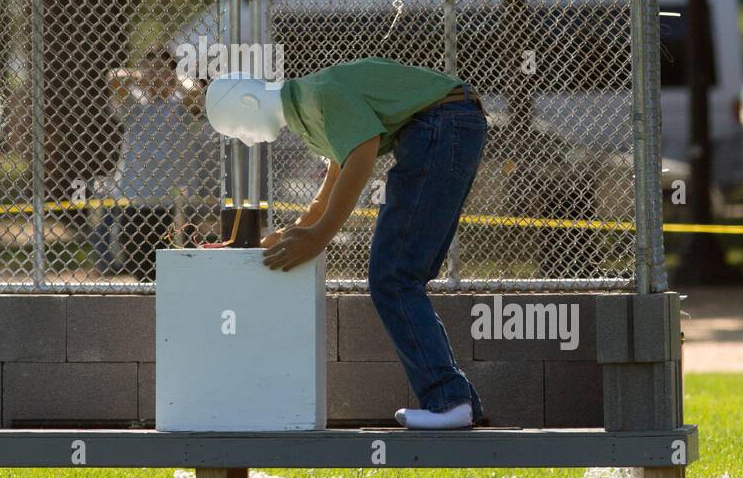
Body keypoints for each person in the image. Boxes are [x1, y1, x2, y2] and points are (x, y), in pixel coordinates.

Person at [204, 57, 488, 430]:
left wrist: (319, 236)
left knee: (393, 277)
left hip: (441, 125)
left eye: (236, 127)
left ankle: (449, 400)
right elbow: (335, 177)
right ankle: (459, 400)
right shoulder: (307, 105)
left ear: (248, 103)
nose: (243, 138)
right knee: (403, 277)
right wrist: (296, 230)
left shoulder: (314, 96)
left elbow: (362, 153)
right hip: (451, 122)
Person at [106, 48, 205, 283]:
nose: (154, 74)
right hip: (136, 196)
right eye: (147, 68)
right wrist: (145, 76)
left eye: (161, 67)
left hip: (175, 200)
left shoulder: (180, 105)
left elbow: (196, 92)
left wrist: (172, 79)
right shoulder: (135, 105)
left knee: (175, 261)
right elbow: (113, 78)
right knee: (136, 258)